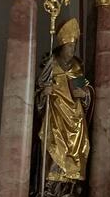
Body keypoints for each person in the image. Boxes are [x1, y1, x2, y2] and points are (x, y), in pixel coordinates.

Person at [36, 18, 93, 182]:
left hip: (75, 115)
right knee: (55, 146)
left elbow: (84, 87)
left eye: (74, 46)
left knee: (80, 145)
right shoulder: (51, 64)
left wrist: (84, 94)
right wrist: (44, 92)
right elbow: (38, 88)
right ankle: (54, 183)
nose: (72, 50)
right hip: (56, 113)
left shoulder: (76, 66)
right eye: (69, 46)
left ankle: (72, 184)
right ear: (61, 47)